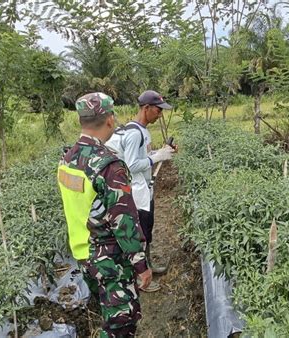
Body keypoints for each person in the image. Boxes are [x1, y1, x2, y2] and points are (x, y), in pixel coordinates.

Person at [57, 92, 152, 337]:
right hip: (109, 260)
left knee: (105, 311)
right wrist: (141, 265)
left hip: (82, 254)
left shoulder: (67, 159)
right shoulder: (109, 166)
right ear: (110, 119)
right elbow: (124, 223)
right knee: (121, 323)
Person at [106, 90, 175, 292]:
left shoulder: (139, 130)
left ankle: (149, 265)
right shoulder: (135, 133)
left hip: (144, 188)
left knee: (147, 230)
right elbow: (130, 165)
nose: (160, 114)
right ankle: (141, 279)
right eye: (158, 110)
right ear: (146, 109)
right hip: (135, 192)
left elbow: (140, 157)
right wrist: (157, 157)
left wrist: (160, 152)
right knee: (140, 234)